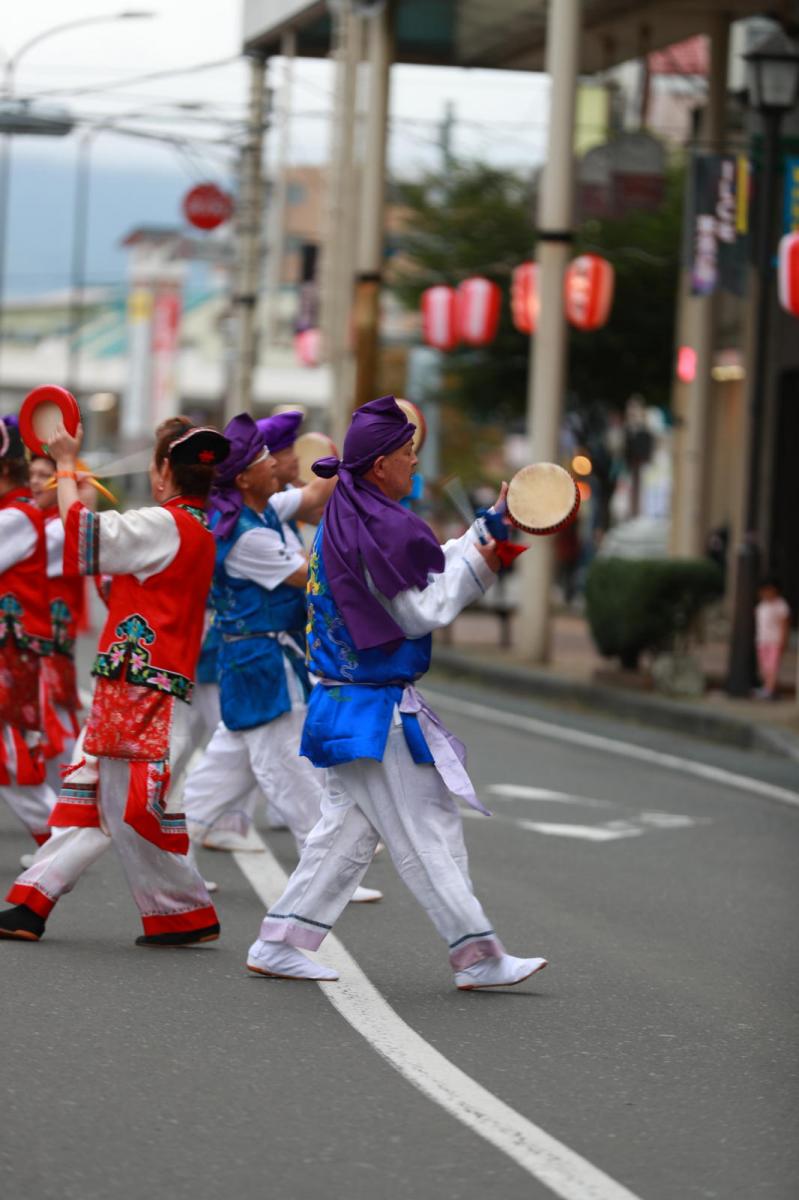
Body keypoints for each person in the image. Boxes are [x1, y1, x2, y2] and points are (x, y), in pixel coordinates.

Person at [246, 395, 548, 990]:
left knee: (347, 834)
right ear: (381, 464)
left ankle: (280, 941)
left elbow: (427, 568)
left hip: (349, 702)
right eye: (409, 453)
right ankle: (478, 955)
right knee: (426, 828)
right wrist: (484, 561)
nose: (416, 463)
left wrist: (487, 527)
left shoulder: (354, 513)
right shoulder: (377, 525)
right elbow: (421, 608)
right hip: (371, 707)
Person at [0, 415, 230, 946]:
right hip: (138, 686)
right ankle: (35, 903)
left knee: (121, 809)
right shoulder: (192, 530)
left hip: (142, 691)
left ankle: (180, 911)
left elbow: (84, 538)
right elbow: (113, 574)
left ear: (162, 472)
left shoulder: (164, 525)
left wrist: (64, 465)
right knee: (95, 799)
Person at [181, 415, 382, 904]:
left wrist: (355, 463)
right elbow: (310, 577)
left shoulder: (260, 505)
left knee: (220, 778)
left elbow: (314, 497)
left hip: (262, 659)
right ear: (245, 477)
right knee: (291, 772)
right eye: (265, 459)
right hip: (261, 662)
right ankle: (325, 881)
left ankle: (163, 860)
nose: (276, 462)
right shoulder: (245, 534)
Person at [0, 418, 57, 847]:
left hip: (11, 654)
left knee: (16, 757)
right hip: (13, 651)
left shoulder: (16, 518)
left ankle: (60, 839)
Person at [754, 577, 791, 700]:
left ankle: (769, 690)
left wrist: (784, 640)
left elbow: (784, 625)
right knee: (764, 667)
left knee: (772, 667)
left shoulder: (781, 605)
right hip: (762, 640)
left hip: (775, 641)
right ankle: (770, 688)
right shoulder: (761, 605)